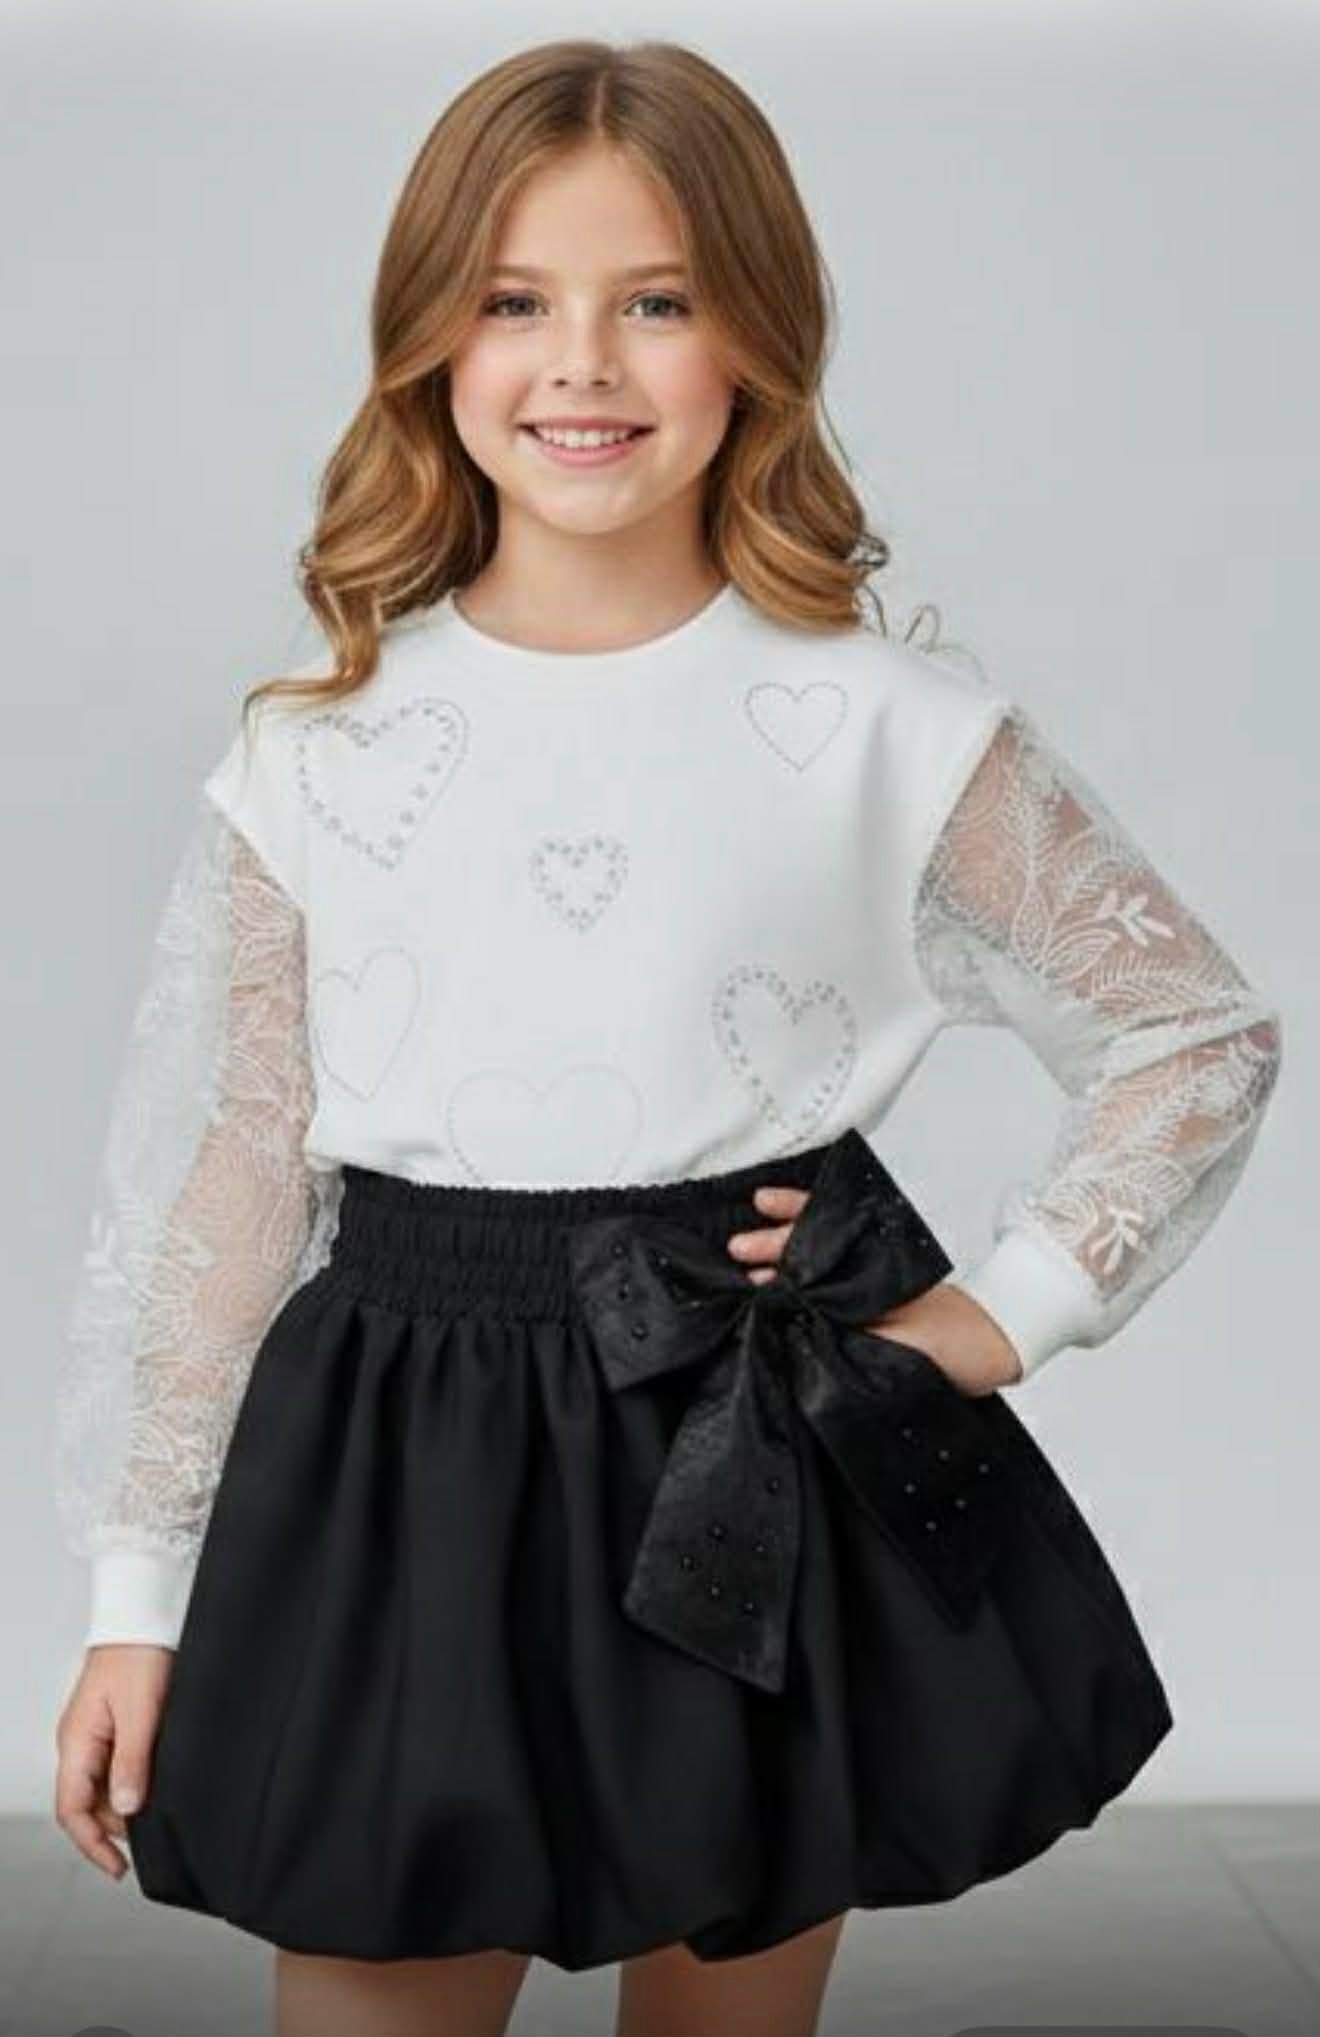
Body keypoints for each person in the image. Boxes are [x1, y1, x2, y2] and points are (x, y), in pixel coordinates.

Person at [51, 37, 1283, 2037]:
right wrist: (136, 1594)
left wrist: (992, 1320)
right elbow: (239, 1173)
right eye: (513, 301)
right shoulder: (320, 746)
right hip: (397, 1464)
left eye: (656, 301)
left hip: (750, 1436)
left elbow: (1193, 1033)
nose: (582, 366)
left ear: (757, 339)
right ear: (430, 340)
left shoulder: (884, 723)